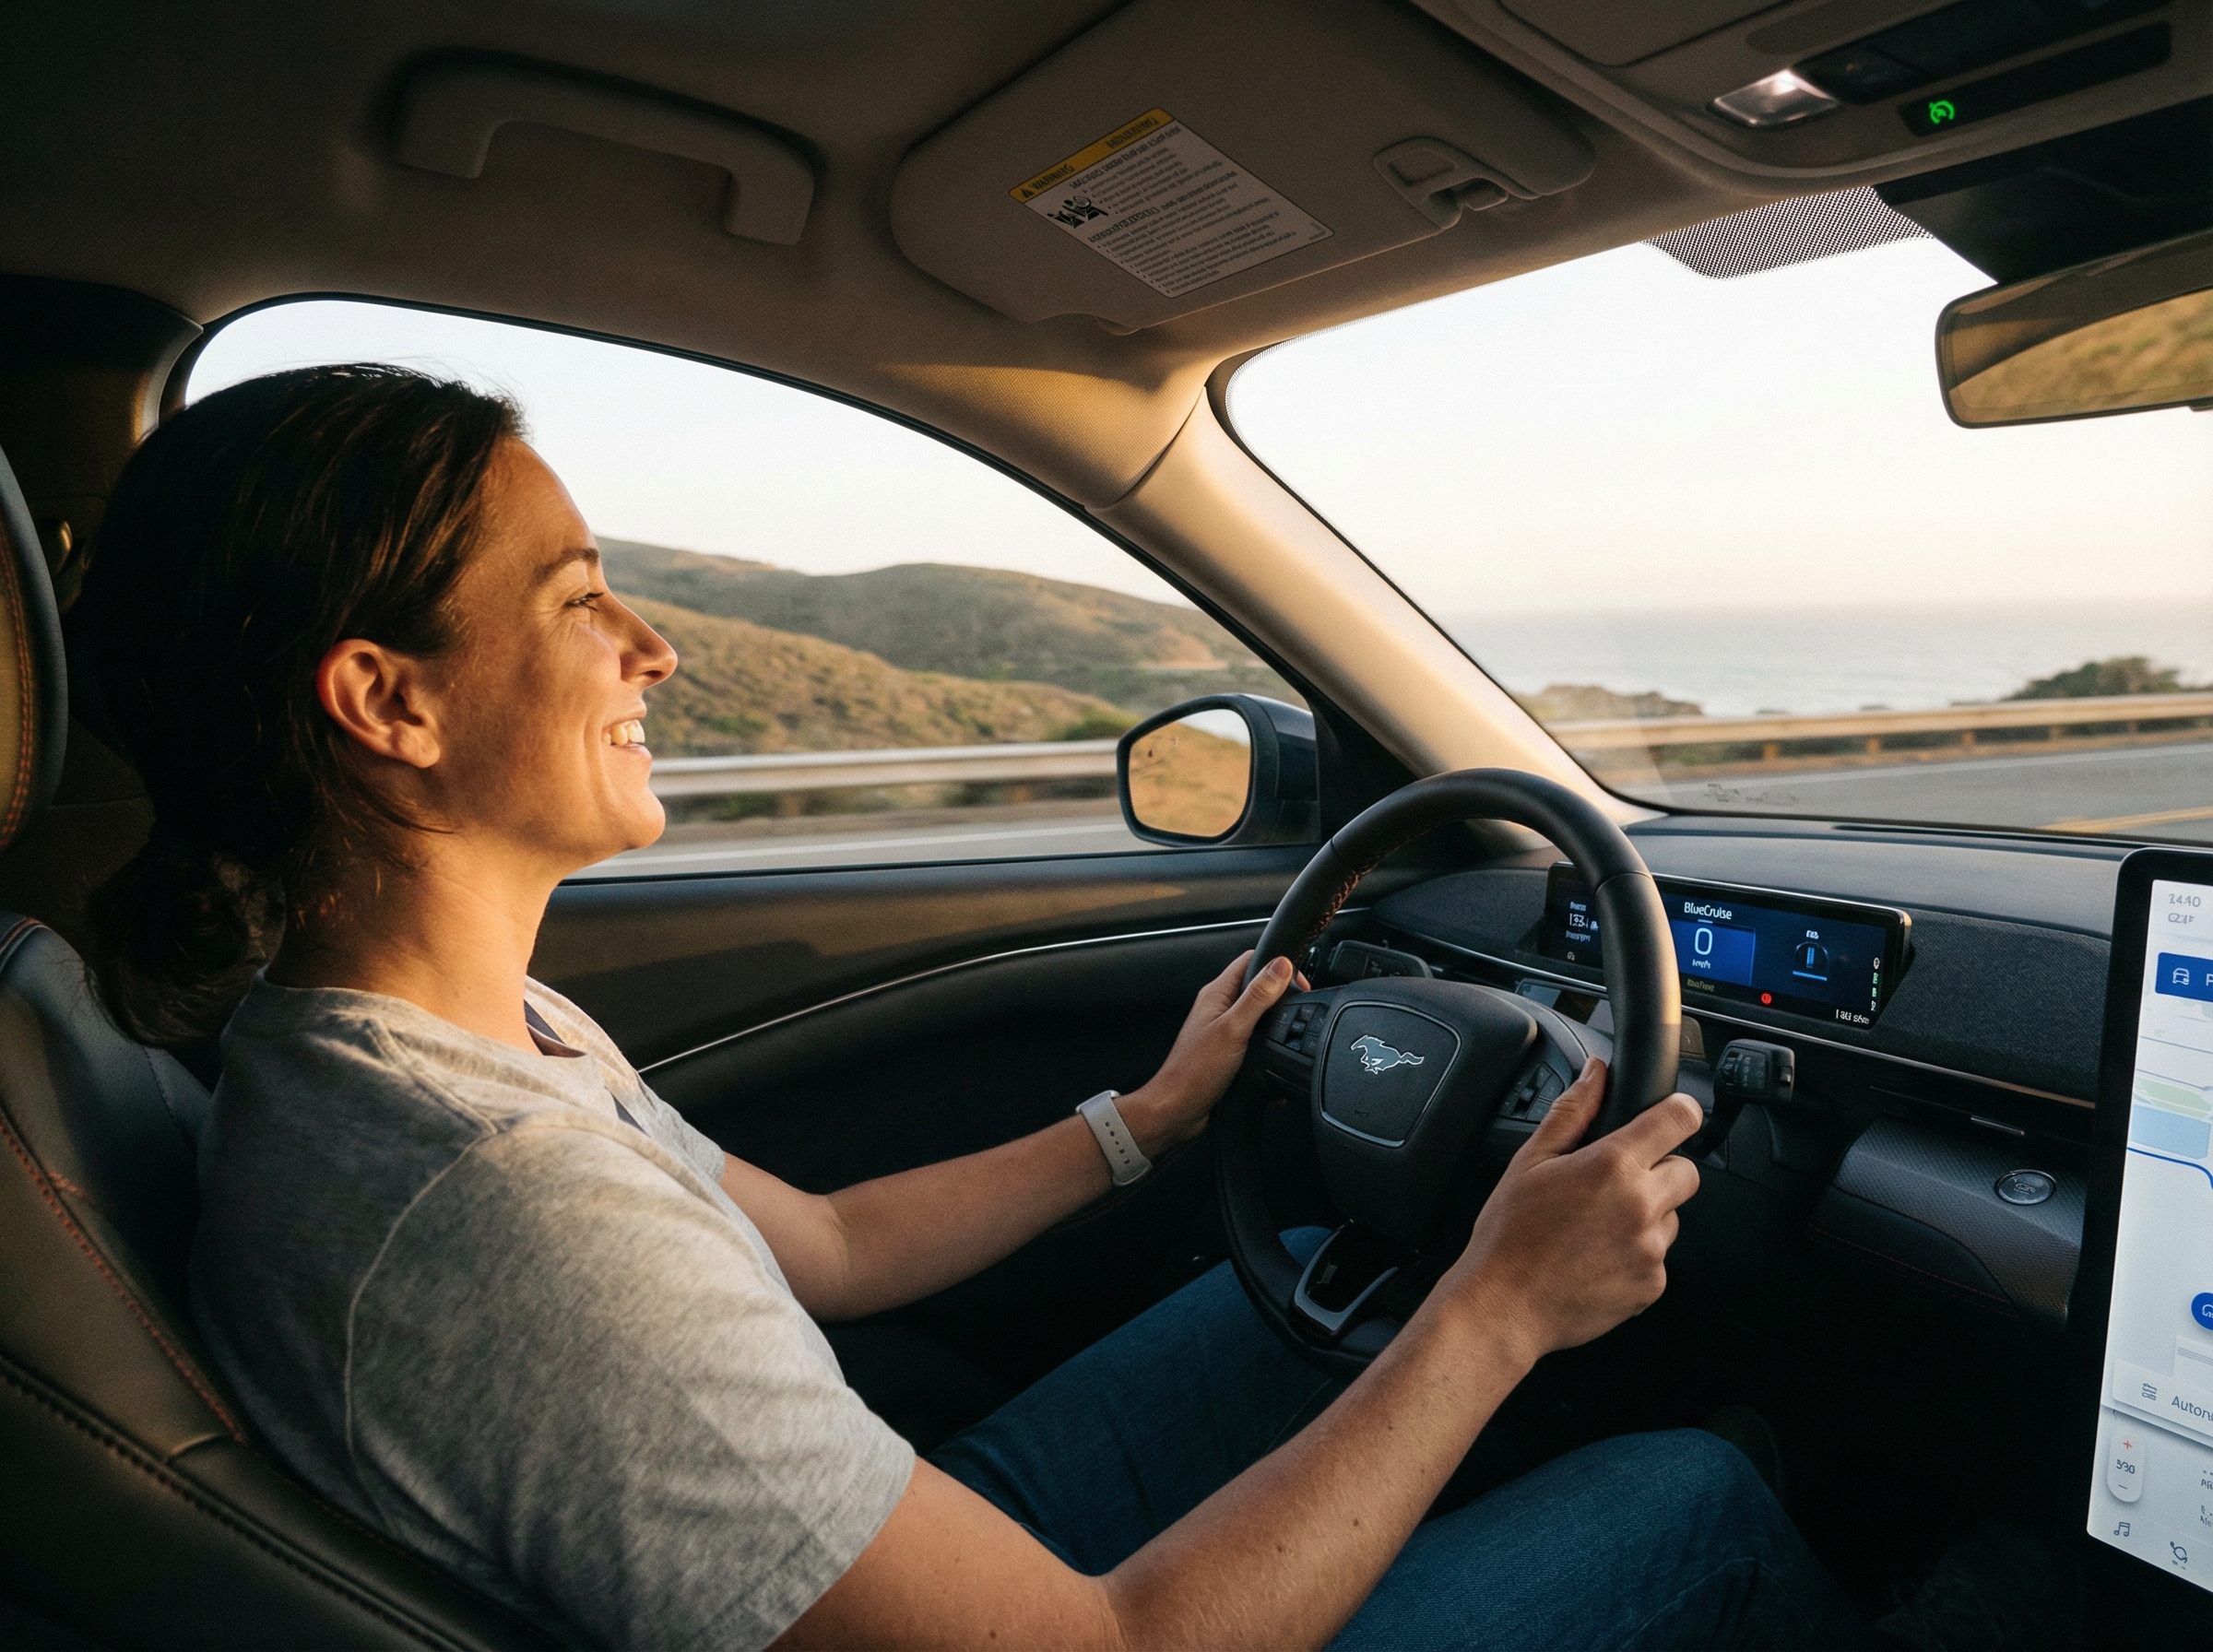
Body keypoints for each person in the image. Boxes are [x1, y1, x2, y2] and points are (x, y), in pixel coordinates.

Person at [80, 364, 1863, 1650]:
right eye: (576, 601)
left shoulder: (456, 1038)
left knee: (1313, 1319)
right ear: (387, 702)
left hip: (858, 1558)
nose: (654, 647)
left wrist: (1147, 1124)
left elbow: (832, 1249)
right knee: (1682, 1501)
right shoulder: (493, 1212)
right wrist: (1499, 1313)